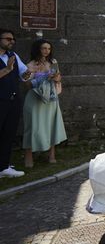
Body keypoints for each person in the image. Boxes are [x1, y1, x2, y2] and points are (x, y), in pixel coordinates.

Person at [23, 39, 67, 168]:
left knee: (52, 124)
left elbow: (58, 78)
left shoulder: (53, 62)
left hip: (51, 98)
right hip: (35, 98)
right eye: (44, 48)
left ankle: (52, 154)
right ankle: (28, 155)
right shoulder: (30, 65)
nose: (46, 51)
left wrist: (56, 78)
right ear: (38, 49)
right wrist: (40, 77)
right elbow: (26, 85)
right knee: (32, 126)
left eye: (48, 48)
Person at [0, 29, 31, 178]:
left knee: (8, 133)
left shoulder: (13, 55)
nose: (11, 41)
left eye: (13, 39)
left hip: (13, 100)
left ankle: (4, 167)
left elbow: (24, 73)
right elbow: (7, 71)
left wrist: (28, 74)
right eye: (8, 39)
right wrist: (7, 69)